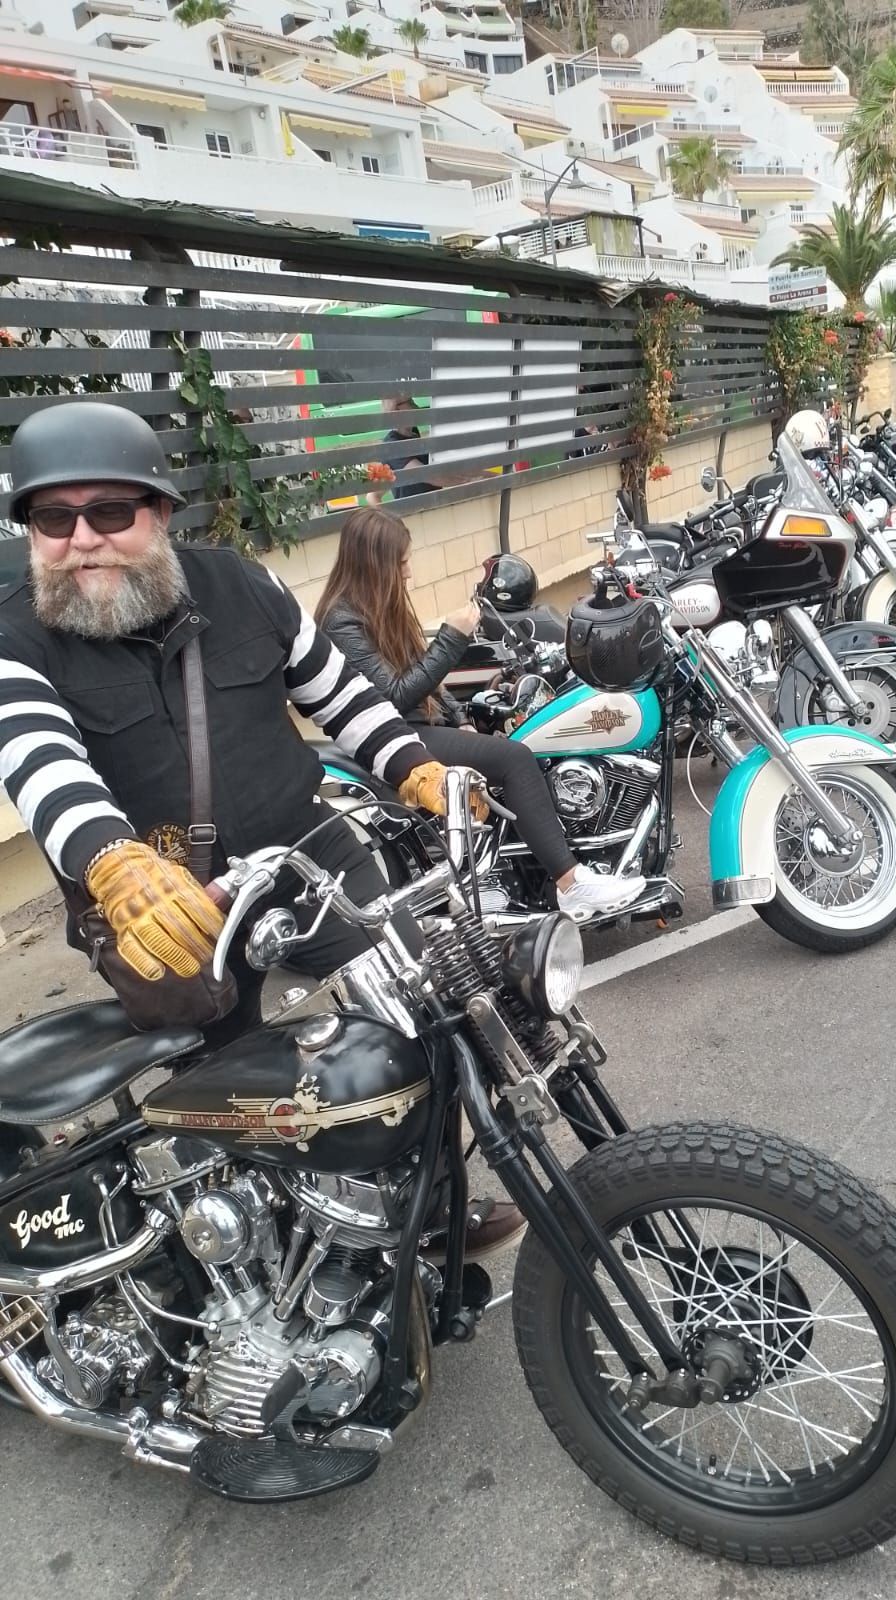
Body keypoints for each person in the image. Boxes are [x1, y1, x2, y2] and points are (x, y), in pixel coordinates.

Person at [0, 400, 524, 1255]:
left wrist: (413, 766)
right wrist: (115, 867)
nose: (81, 538)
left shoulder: (244, 587)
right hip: (174, 907)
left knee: (425, 1023)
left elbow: (343, 699)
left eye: (108, 512)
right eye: (53, 518)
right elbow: (40, 764)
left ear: (160, 511)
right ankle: (272, 1256)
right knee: (235, 1099)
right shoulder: (14, 637)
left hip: (308, 856)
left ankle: (433, 1211)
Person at [315, 506, 648, 921]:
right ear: (375, 565)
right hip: (394, 736)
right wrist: (453, 638)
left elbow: (427, 681)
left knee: (516, 739)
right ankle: (570, 884)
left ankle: (525, 869)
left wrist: (461, 720)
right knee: (515, 759)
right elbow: (394, 696)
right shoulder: (341, 621)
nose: (408, 574)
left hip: (419, 725)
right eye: (401, 564)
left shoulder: (379, 606)